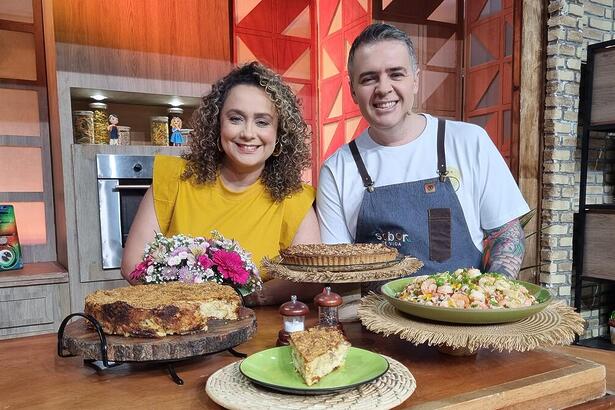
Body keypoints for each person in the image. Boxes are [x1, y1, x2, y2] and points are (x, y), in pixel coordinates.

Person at [316, 23, 529, 280]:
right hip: (374, 318)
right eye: (369, 78)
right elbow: (339, 273)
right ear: (352, 91)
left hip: (464, 315)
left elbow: (505, 233)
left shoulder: (469, 142)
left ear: (415, 80)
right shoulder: (338, 169)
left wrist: (494, 293)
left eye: (396, 74)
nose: (383, 88)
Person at [122, 62, 322, 305]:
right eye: (236, 118)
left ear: (279, 133)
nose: (248, 133)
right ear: (217, 124)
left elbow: (311, 279)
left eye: (262, 122)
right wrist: (197, 305)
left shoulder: (295, 198)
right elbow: (133, 263)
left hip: (256, 331)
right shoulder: (174, 178)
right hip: (177, 323)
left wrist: (251, 297)